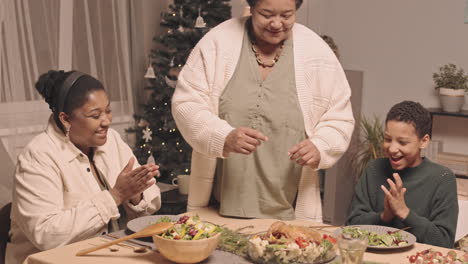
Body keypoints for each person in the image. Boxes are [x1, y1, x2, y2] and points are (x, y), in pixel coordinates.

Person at [172, 0, 354, 221]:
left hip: (289, 216)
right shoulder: (216, 44)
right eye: (266, 14)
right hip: (217, 211)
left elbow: (340, 118)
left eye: (286, 15)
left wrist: (321, 146)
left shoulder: (318, 55)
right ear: (252, 8)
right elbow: (186, 103)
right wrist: (223, 137)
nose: (277, 24)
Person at [6, 70, 162, 263]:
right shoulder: (37, 157)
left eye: (108, 110)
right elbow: (46, 235)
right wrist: (116, 196)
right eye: (95, 115)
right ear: (66, 119)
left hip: (109, 253)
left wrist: (135, 195)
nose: (107, 121)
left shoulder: (112, 140)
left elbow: (152, 200)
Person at [346, 101, 458, 248]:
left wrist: (404, 212)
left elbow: (444, 241)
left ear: (423, 141)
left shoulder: (443, 178)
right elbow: (351, 225)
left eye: (402, 142)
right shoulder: (374, 169)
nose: (392, 148)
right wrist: (384, 216)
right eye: (387, 139)